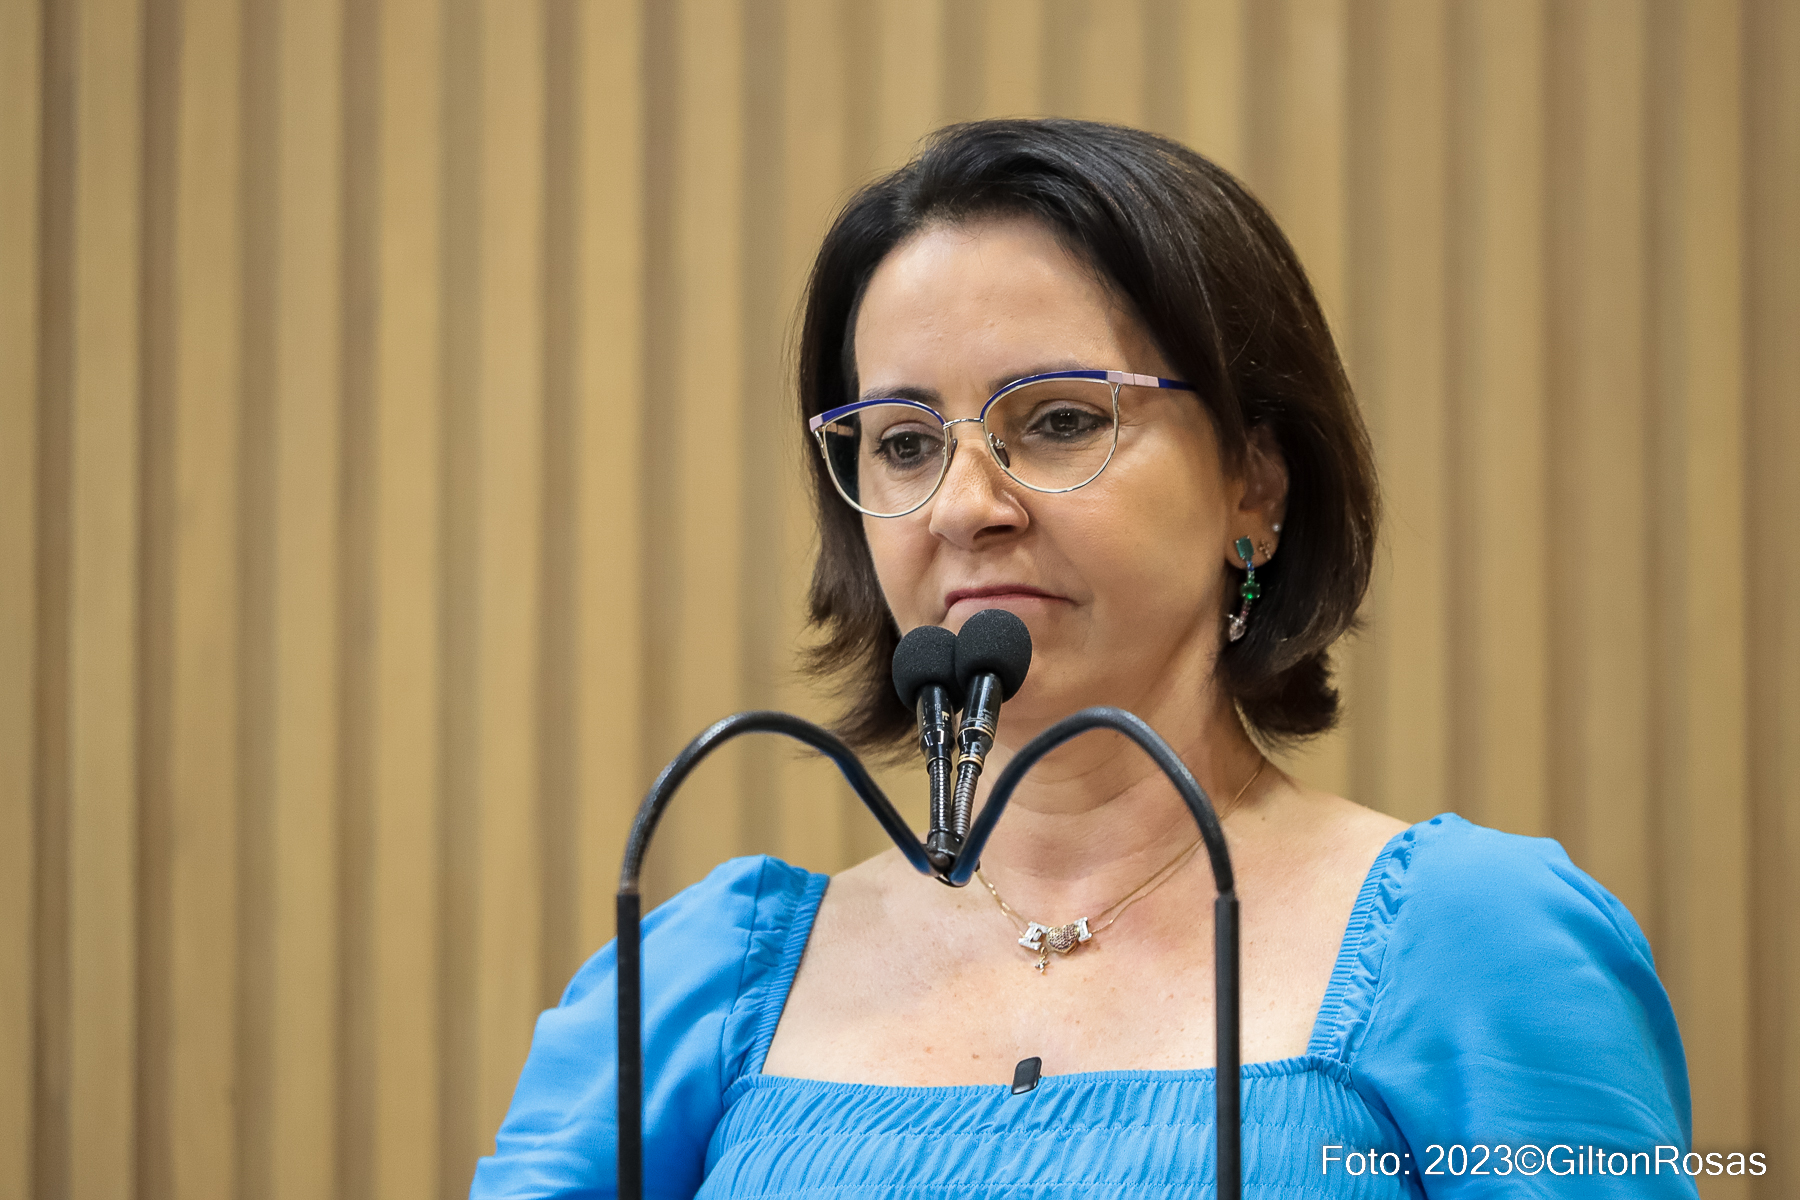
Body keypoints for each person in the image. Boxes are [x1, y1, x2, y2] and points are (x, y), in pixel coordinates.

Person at [471, 119, 1696, 1197]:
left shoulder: (1477, 945)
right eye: (904, 442)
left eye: (1059, 420)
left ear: (1255, 485)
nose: (965, 506)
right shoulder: (697, 983)